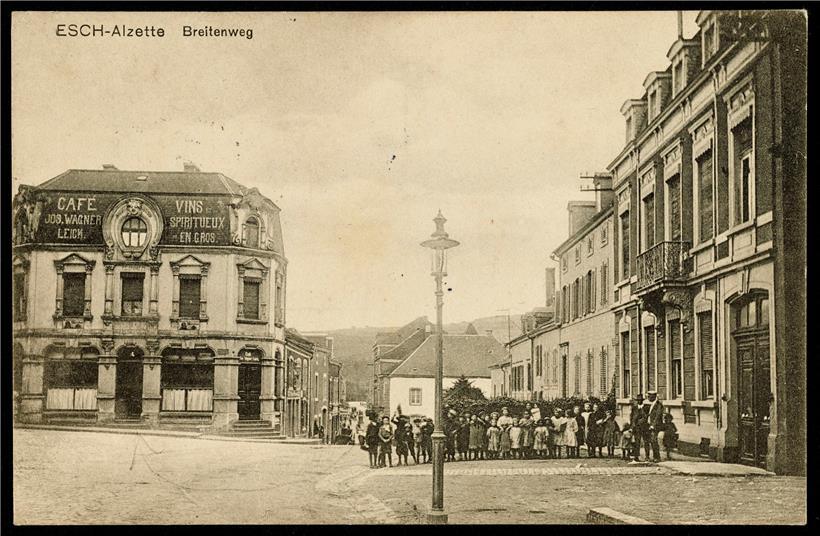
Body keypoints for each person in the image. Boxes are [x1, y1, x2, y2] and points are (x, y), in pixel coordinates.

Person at [645, 390, 664, 463]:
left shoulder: (659, 405)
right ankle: (653, 457)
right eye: (648, 396)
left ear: (653, 397)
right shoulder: (651, 404)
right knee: (650, 441)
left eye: (649, 397)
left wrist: (653, 425)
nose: (648, 398)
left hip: (656, 426)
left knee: (654, 441)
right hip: (649, 425)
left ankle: (657, 457)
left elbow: (658, 416)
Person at [629, 395, 649, 462]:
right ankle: (636, 456)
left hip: (644, 428)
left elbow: (647, 417)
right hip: (636, 428)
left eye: (640, 400)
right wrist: (631, 427)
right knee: (637, 442)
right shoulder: (634, 408)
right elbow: (631, 418)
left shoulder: (646, 408)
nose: (639, 401)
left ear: (642, 401)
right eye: (638, 400)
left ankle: (647, 456)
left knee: (646, 442)